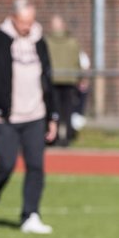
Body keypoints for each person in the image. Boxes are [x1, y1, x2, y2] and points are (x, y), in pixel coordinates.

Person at [0, 0, 58, 235]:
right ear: (13, 18)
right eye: (23, 22)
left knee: (36, 166)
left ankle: (30, 215)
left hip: (36, 115)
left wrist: (53, 117)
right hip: (5, 117)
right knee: (6, 164)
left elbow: (48, 79)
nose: (27, 27)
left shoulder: (39, 41)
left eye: (30, 21)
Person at [44, 15, 83, 147]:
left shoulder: (46, 42)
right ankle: (66, 137)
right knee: (67, 111)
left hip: (52, 80)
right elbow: (77, 61)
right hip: (69, 79)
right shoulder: (72, 42)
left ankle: (52, 137)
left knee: (53, 110)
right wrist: (79, 77)